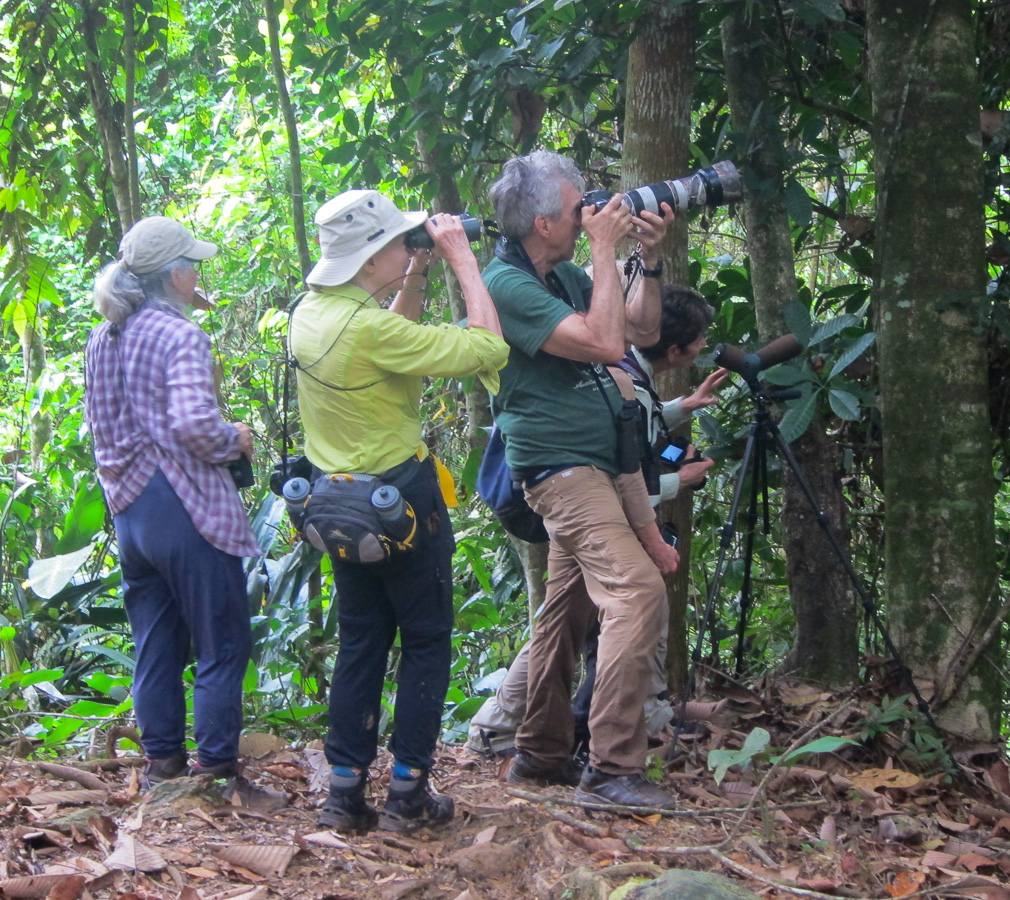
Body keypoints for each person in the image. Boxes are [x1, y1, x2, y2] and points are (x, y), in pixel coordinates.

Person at [289, 190, 507, 833]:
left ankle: (344, 791)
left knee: (360, 642)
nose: (407, 244)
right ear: (368, 256)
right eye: (398, 240)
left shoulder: (311, 313)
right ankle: (409, 793)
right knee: (426, 642)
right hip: (402, 502)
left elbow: (394, 335)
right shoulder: (369, 329)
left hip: (338, 506)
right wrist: (464, 262)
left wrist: (412, 272)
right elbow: (488, 351)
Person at [483, 150, 681, 809]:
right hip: (561, 470)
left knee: (566, 612)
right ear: (543, 223)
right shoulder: (506, 287)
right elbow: (601, 345)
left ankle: (539, 753)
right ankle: (612, 769)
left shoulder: (561, 273)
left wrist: (645, 262)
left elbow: (640, 331)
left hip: (598, 463)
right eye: (576, 211)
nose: (588, 215)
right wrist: (604, 249)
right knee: (637, 590)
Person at [468, 285, 726, 757]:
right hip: (582, 501)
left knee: (565, 617)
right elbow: (622, 471)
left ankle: (511, 731)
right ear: (672, 349)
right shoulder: (612, 374)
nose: (704, 348)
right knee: (637, 595)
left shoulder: (624, 374)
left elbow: (636, 431)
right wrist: (679, 481)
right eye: (698, 341)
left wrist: (681, 408)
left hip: (572, 499)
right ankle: (612, 748)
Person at [84, 216, 275, 805]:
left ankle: (164, 766)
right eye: (194, 264)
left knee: (156, 640)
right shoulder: (178, 335)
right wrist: (235, 440)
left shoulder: (103, 336)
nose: (199, 273)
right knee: (222, 642)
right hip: (183, 504)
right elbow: (195, 426)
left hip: (131, 511)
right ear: (176, 274)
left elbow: (101, 426)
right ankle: (216, 777)